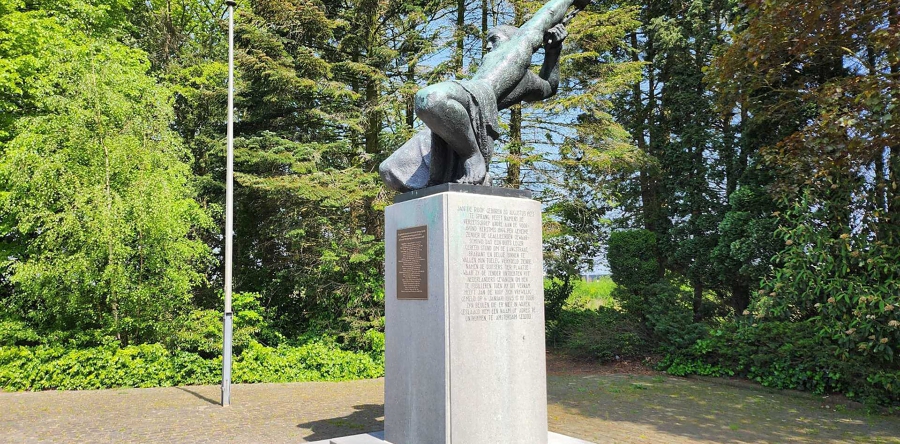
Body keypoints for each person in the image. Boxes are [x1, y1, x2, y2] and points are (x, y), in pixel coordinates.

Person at [379, 0, 584, 191]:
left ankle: (472, 155)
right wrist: (553, 50)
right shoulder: (493, 65)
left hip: (475, 99)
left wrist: (554, 50)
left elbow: (548, 85)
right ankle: (449, 180)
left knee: (430, 98)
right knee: (389, 170)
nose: (487, 46)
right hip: (461, 119)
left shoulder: (517, 52)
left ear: (515, 39)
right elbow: (549, 86)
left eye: (493, 39)